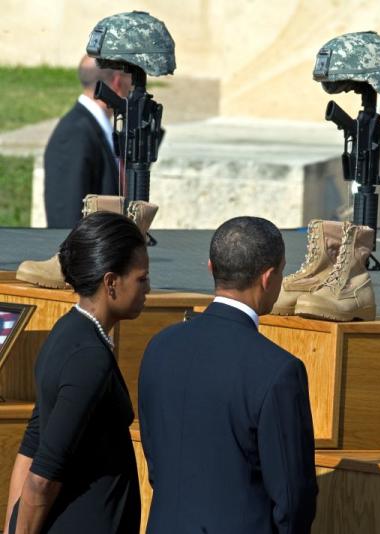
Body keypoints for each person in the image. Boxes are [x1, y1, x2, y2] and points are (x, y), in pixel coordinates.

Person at [138, 216, 318, 533]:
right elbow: (293, 497)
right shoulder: (278, 371)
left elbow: (157, 464)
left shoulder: (159, 347)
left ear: (211, 267)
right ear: (268, 277)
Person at [4, 212, 149, 533]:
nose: (148, 288)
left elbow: (31, 445)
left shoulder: (67, 331)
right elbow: (42, 479)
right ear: (111, 282)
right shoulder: (89, 358)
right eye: (141, 279)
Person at [44, 55, 132, 228]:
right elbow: (66, 215)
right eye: (131, 80)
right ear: (117, 82)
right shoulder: (75, 133)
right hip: (85, 253)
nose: (133, 88)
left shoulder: (97, 127)